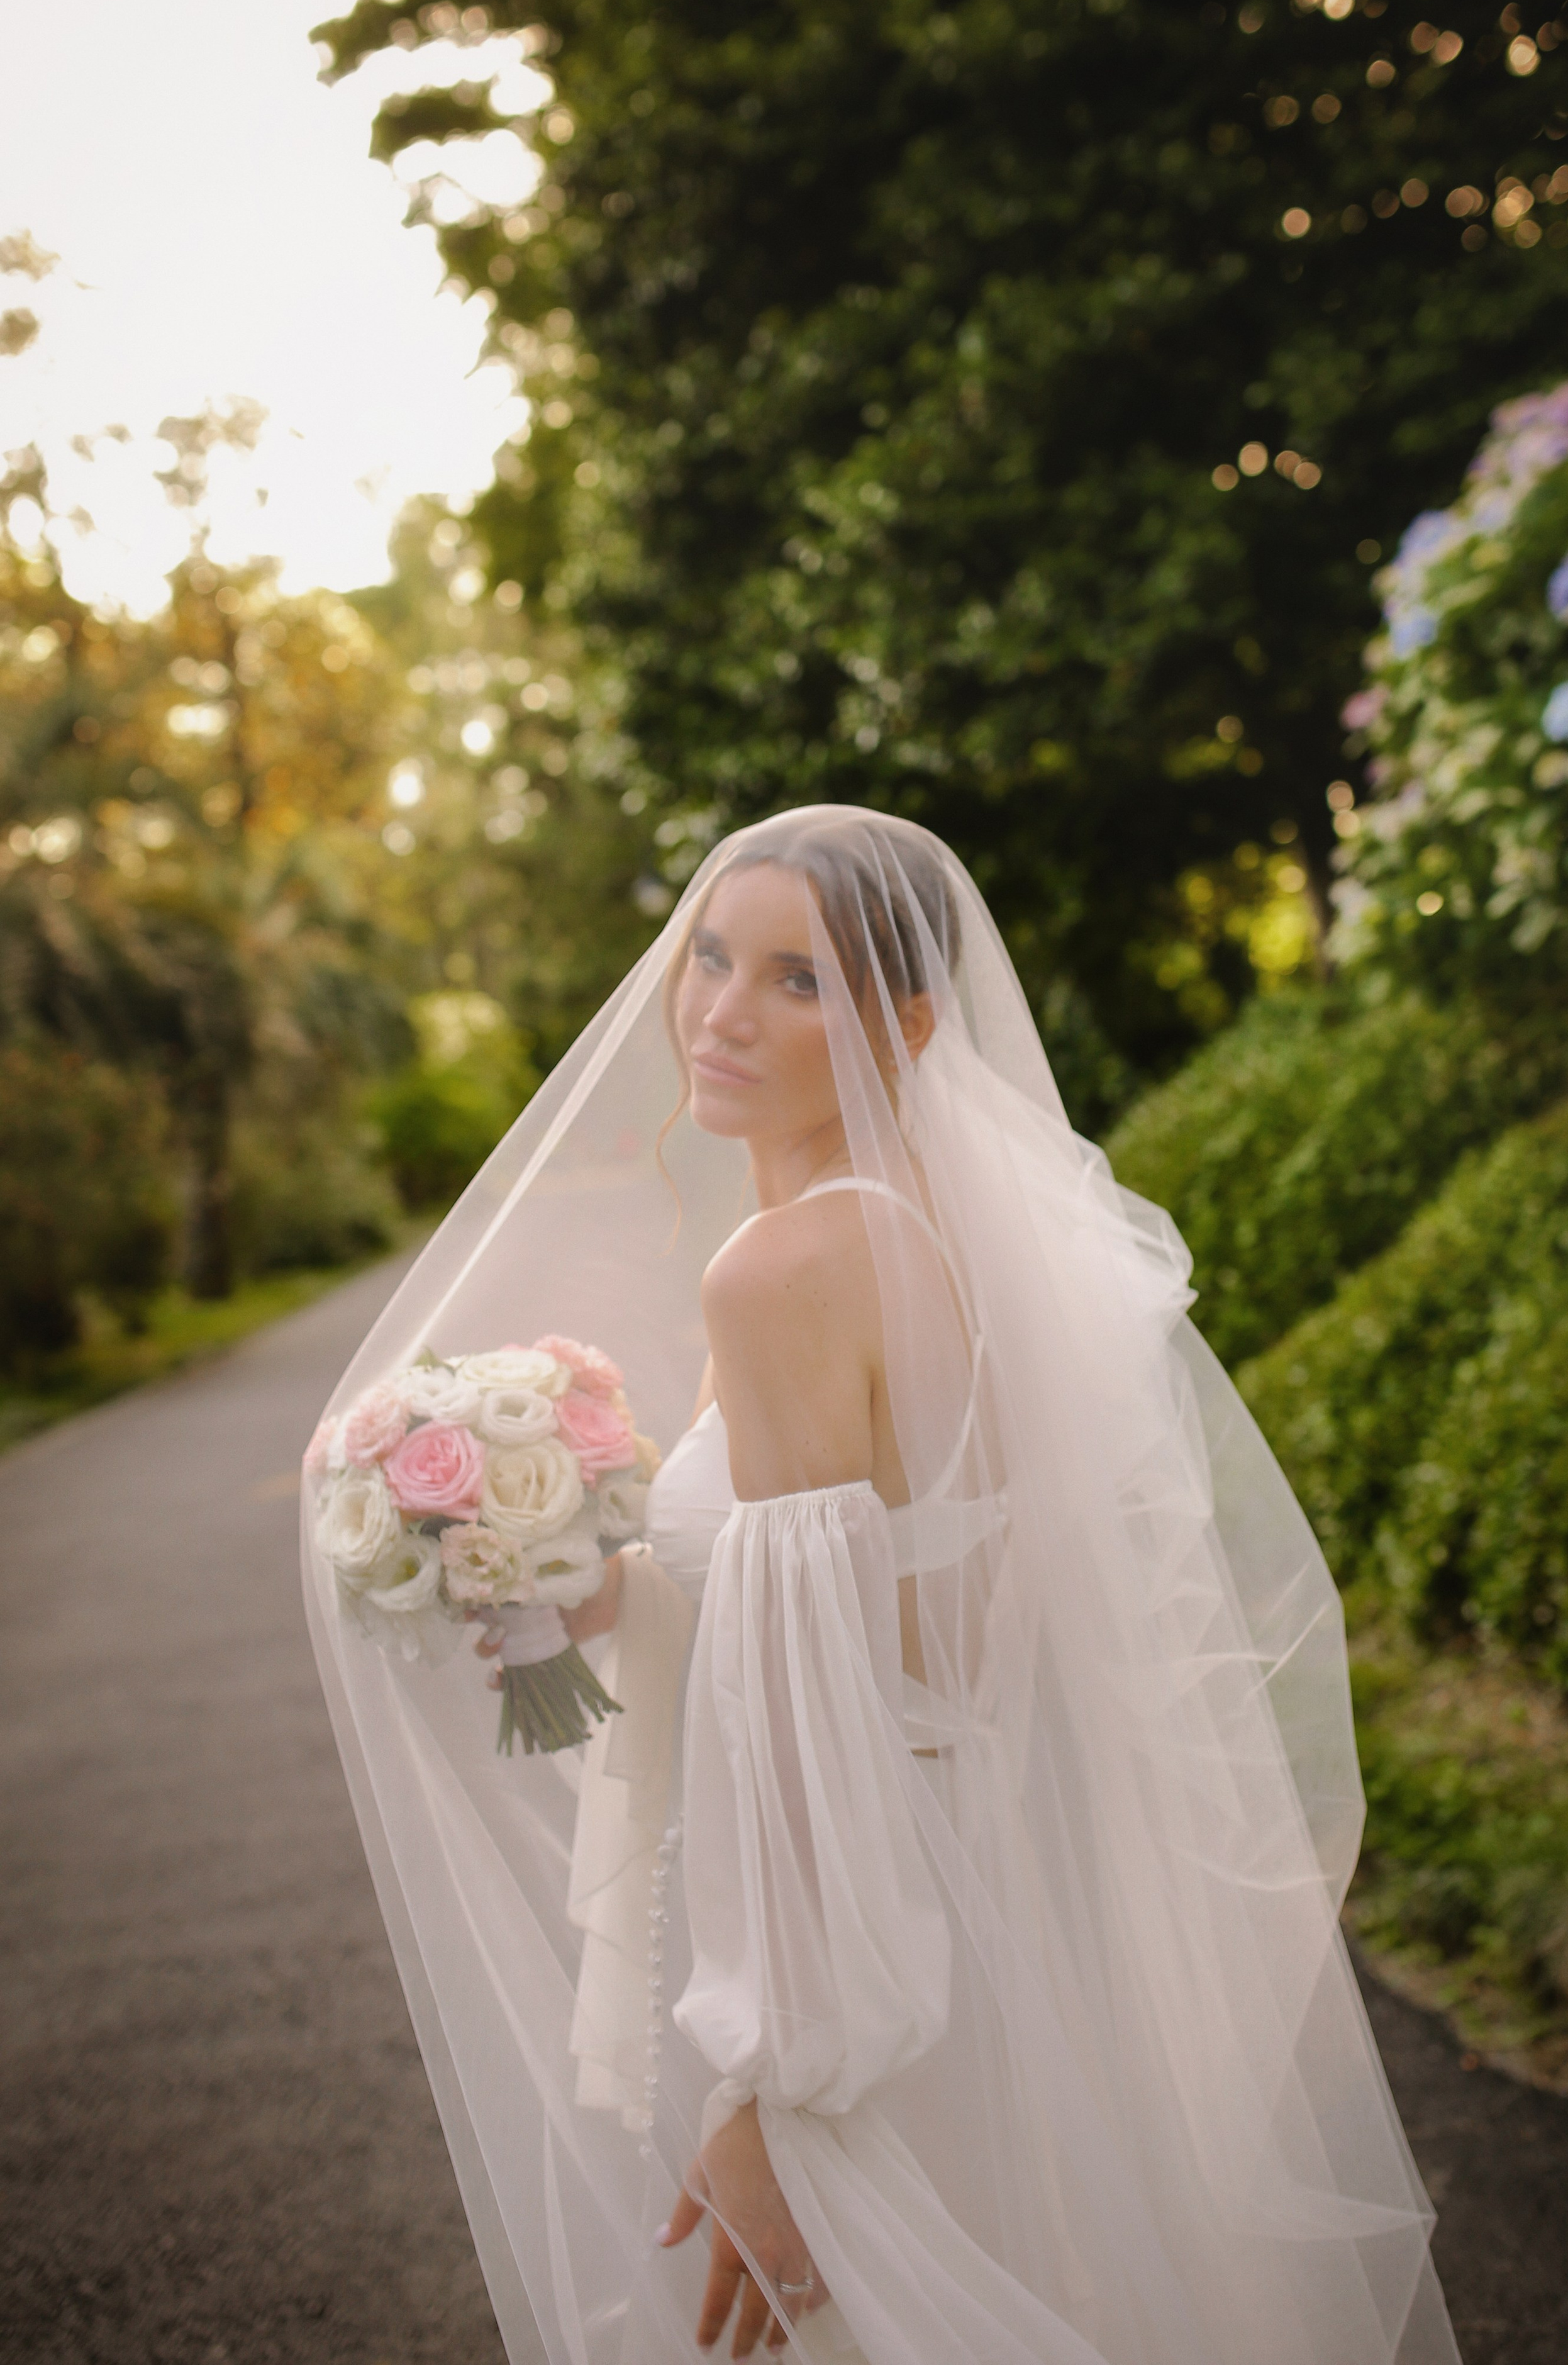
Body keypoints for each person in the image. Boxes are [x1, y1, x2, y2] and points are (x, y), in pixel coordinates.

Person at [303, 807, 1462, 2365]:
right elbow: (915, 1619)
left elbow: (819, 1730)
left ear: (904, 1023)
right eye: (710, 955)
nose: (717, 1012)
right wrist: (568, 1584)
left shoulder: (783, 1274)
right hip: (972, 1918)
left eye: (796, 982)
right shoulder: (938, 1235)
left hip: (864, 1987)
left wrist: (778, 2102)